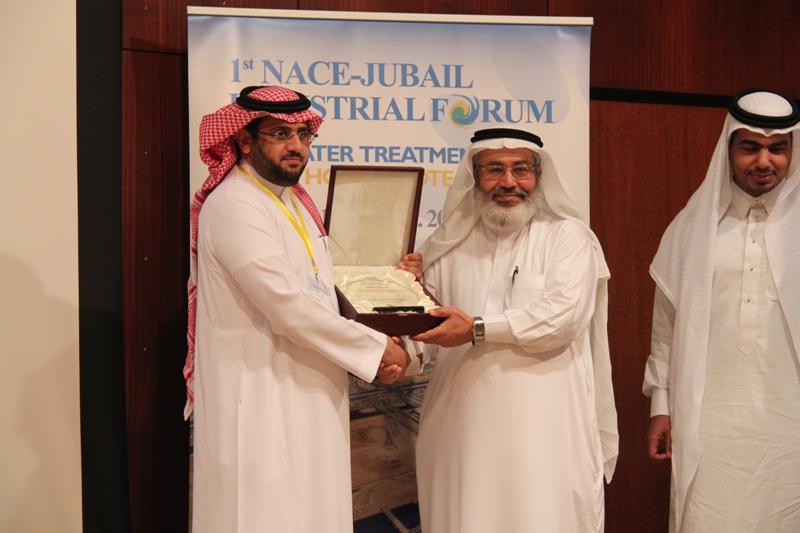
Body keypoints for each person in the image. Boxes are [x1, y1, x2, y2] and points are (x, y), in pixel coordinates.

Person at [182, 85, 410, 533]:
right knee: (261, 517)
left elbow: (320, 291)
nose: (296, 146)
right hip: (258, 401)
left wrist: (392, 284)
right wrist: (376, 349)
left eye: (304, 134)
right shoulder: (235, 205)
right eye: (280, 133)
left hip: (310, 393)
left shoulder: (294, 202)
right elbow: (287, 307)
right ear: (244, 140)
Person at [409, 128, 619, 533]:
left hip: (546, 431)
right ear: (475, 177)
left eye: (521, 169)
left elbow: (563, 318)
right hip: (461, 431)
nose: (508, 182)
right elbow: (425, 337)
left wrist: (478, 329)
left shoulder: (568, 237)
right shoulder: (444, 247)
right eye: (494, 170)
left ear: (538, 176)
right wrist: (400, 298)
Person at [642, 88, 800, 532]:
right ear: (729, 149)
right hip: (709, 416)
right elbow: (666, 329)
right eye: (750, 147)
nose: (764, 161)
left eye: (777, 148)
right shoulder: (693, 227)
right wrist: (661, 404)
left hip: (788, 415)